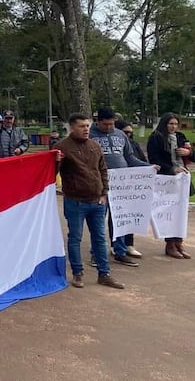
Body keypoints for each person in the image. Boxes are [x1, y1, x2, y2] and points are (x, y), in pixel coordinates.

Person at [56, 113, 124, 290]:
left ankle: (105, 274)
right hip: (75, 202)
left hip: (97, 202)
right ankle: (78, 273)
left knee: (100, 239)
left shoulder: (95, 145)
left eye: (87, 126)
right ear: (72, 128)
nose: (86, 129)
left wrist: (104, 192)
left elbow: (103, 169)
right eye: (81, 126)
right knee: (75, 238)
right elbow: (51, 172)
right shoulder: (62, 147)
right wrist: (55, 162)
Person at [89, 107, 152, 266]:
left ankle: (120, 251)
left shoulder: (120, 134)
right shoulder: (89, 135)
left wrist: (148, 167)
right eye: (105, 124)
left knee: (120, 219)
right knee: (98, 220)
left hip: (122, 185)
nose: (109, 127)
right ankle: (96, 253)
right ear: (98, 121)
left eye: (112, 124)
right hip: (99, 184)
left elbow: (129, 157)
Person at [147, 112, 195, 259]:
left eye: (176, 124)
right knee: (169, 212)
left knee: (181, 212)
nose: (173, 127)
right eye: (171, 124)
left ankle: (179, 242)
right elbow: (154, 159)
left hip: (182, 179)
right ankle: (170, 244)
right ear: (164, 123)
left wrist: (188, 152)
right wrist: (171, 169)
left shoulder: (181, 137)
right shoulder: (156, 137)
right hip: (167, 179)